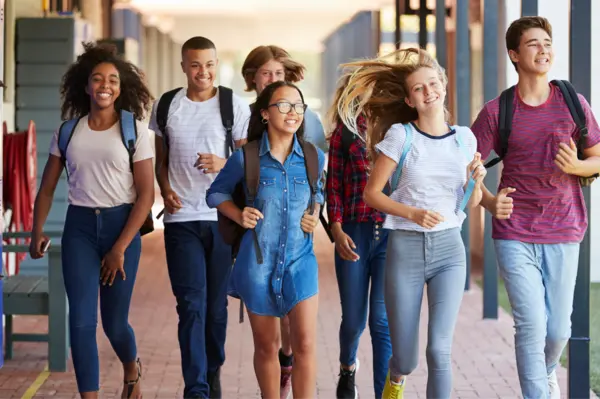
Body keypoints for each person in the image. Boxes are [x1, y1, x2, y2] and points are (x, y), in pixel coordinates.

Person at [338, 48, 486, 399]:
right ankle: (395, 380)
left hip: (450, 249)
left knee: (439, 351)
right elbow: (372, 194)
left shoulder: (466, 138)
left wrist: (476, 181)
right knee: (405, 358)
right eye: (419, 88)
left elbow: (473, 202)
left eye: (433, 83)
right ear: (409, 99)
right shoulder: (401, 137)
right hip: (404, 249)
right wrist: (413, 214)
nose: (428, 91)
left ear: (444, 86)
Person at [471, 16, 600, 399]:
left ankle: (544, 370)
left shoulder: (573, 103)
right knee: (530, 325)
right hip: (515, 232)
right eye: (533, 44)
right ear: (514, 54)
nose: (543, 50)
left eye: (547, 42)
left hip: (564, 228)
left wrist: (577, 166)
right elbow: (467, 167)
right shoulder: (498, 111)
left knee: (558, 329)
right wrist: (492, 203)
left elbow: (597, 157)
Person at [29, 42, 154, 399]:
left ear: (120, 87)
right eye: (97, 79)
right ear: (85, 86)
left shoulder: (135, 131)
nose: (105, 85)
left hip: (122, 228)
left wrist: (119, 247)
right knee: (81, 322)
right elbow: (48, 188)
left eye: (112, 80)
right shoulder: (68, 131)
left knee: (115, 325)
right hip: (79, 229)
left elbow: (145, 195)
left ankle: (131, 367)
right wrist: (37, 230)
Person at [206, 81, 325, 399]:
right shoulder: (246, 158)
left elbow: (319, 193)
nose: (293, 112)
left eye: (298, 106)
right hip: (257, 263)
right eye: (283, 105)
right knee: (267, 345)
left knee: (305, 344)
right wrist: (238, 213)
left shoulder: (314, 157)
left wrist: (314, 212)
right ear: (264, 114)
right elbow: (215, 193)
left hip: (301, 260)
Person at [149, 36, 250, 399]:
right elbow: (161, 161)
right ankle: (196, 388)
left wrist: (224, 164)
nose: (202, 72)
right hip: (180, 220)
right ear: (183, 67)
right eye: (195, 65)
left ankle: (213, 368)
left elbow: (247, 167)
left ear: (216, 64)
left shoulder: (232, 105)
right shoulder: (166, 106)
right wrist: (166, 189)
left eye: (209, 64)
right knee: (190, 304)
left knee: (215, 308)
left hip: (221, 219)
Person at [240, 44, 327, 398]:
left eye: (278, 73)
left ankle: (286, 360)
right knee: (268, 326)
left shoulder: (309, 121)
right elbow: (234, 182)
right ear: (253, 79)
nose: (273, 79)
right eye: (265, 73)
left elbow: (317, 176)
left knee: (295, 322)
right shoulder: (245, 118)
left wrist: (315, 212)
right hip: (259, 239)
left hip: (296, 242)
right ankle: (277, 365)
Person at [325, 73, 391, 399]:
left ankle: (384, 394)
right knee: (353, 320)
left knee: (381, 322)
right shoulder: (344, 133)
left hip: (390, 236)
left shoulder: (397, 129)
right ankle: (348, 366)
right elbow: (333, 186)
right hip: (352, 233)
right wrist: (335, 228)